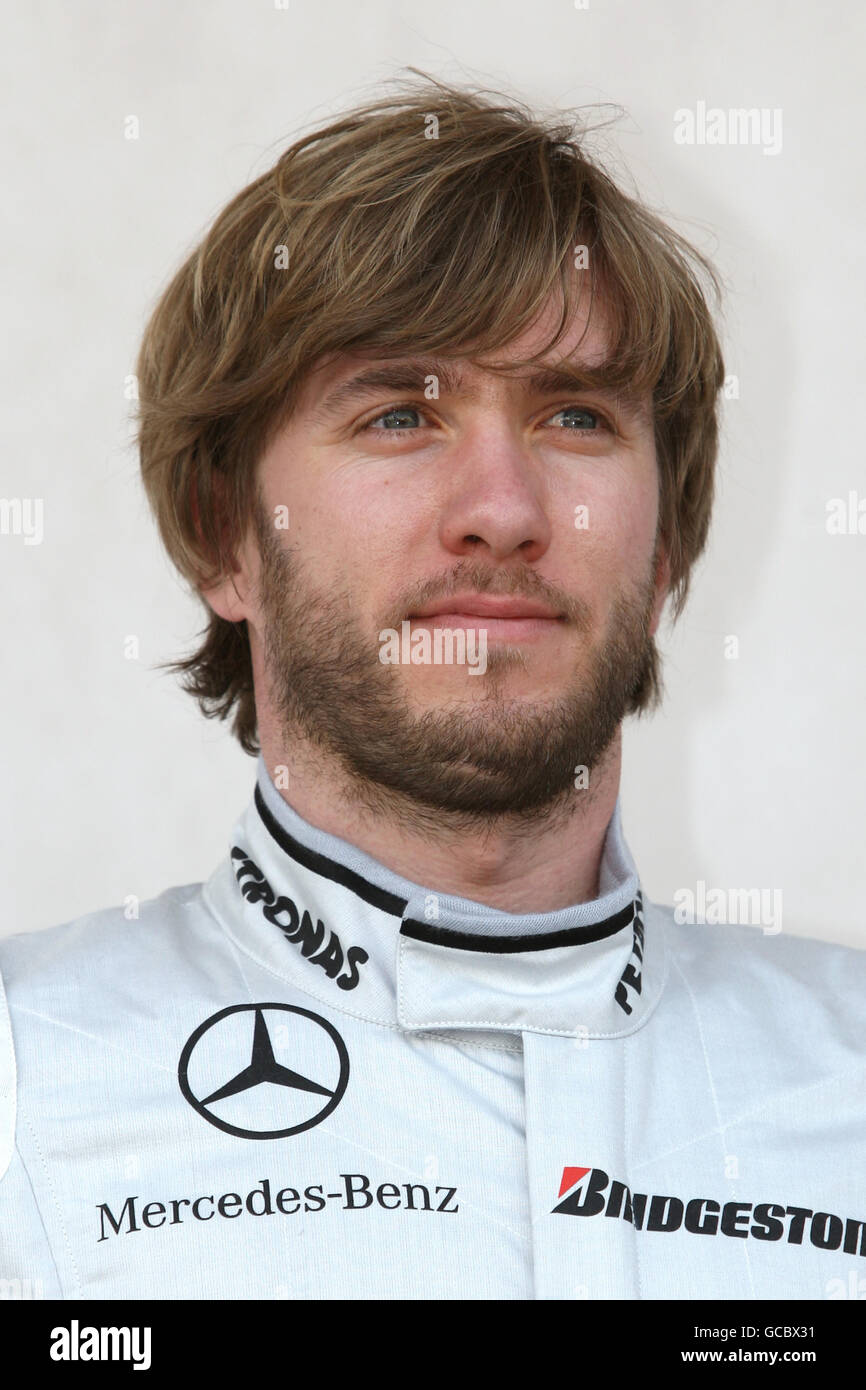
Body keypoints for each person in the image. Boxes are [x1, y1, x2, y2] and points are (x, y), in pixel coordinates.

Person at [1, 75, 863, 1303]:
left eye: (573, 413)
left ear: (665, 540)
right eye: (402, 414)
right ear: (222, 534)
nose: (503, 512)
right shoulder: (27, 1077)